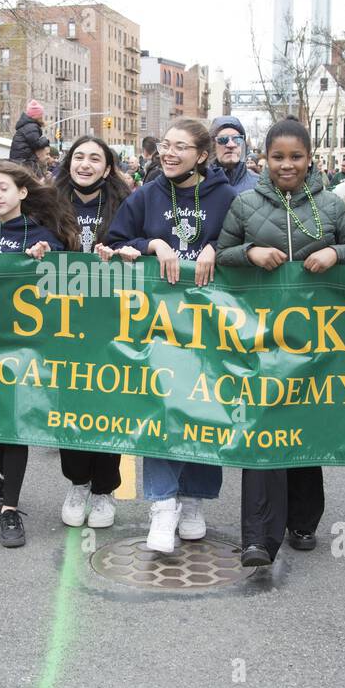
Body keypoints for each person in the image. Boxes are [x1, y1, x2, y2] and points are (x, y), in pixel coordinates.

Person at [214, 117, 345, 567]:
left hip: (316, 341)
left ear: (309, 160)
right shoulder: (243, 206)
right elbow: (221, 257)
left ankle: (303, 520)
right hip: (259, 339)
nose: (287, 165)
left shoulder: (333, 208)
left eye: (296, 157)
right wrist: (250, 254)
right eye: (278, 157)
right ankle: (258, 538)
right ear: (265, 159)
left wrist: (336, 252)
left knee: (305, 424)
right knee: (263, 428)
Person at [105, 118, 236, 553]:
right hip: (155, 325)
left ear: (202, 155)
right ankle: (161, 507)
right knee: (159, 408)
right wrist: (151, 246)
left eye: (181, 146)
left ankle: (194, 500)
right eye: (165, 144)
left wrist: (221, 248)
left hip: (209, 329)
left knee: (205, 407)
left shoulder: (227, 197)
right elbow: (115, 240)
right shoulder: (146, 194)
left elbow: (247, 242)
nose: (169, 152)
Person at [0, 161, 77, 547]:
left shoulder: (40, 235)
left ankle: (10, 510)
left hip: (25, 344)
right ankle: (4, 478)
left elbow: (62, 275)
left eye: (3, 188)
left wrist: (46, 254)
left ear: (21, 192)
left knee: (15, 423)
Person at [52, 136, 133, 528]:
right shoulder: (47, 199)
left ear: (107, 167)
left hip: (110, 317)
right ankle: (77, 483)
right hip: (64, 319)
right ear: (69, 162)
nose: (85, 164)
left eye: (94, 158)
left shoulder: (124, 202)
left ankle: (104, 490)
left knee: (109, 402)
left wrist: (125, 249)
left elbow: (137, 241)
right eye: (79, 156)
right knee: (70, 403)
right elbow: (31, 239)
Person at [210, 115, 257, 194]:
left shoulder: (260, 185)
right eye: (223, 139)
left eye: (237, 139)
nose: (231, 145)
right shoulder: (197, 185)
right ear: (212, 146)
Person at [8, 99, 50, 168]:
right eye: (41, 115)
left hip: (19, 160)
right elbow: (36, 144)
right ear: (37, 116)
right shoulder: (31, 127)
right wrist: (45, 140)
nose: (42, 117)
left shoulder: (27, 126)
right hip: (24, 161)